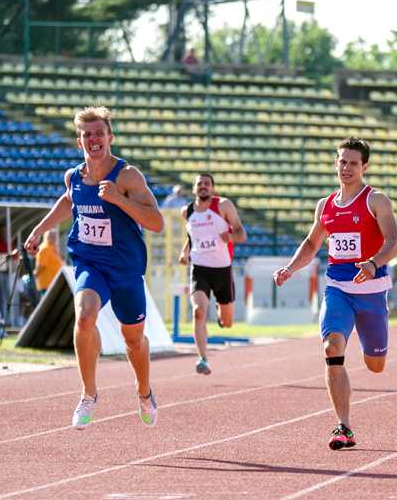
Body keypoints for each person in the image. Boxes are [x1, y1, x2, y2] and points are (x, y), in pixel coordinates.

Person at [24, 105, 165, 430]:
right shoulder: (74, 176)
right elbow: (68, 200)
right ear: (80, 142)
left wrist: (119, 200)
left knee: (133, 341)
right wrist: (39, 229)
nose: (93, 139)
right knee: (85, 315)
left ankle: (144, 392)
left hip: (126, 269)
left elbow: (156, 222)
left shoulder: (127, 176)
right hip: (90, 262)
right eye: (87, 135)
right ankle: (88, 394)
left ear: (110, 137)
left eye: (99, 133)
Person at [273, 137, 397, 450]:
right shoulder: (326, 205)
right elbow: (311, 244)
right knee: (332, 348)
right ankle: (343, 426)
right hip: (338, 289)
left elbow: (394, 242)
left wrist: (373, 264)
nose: (346, 168)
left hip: (371, 292)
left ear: (365, 167)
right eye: (342, 161)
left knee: (376, 365)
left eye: (353, 163)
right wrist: (291, 268)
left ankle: (370, 349)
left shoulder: (377, 200)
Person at [179, 173, 247, 375]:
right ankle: (203, 359)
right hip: (199, 268)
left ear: (213, 189)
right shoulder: (187, 211)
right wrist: (185, 251)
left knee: (227, 322)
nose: (203, 187)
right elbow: (193, 237)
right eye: (199, 184)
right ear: (194, 189)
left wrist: (230, 236)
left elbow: (241, 234)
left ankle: (220, 311)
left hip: (223, 270)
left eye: (207, 184)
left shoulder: (224, 206)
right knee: (198, 311)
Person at [33, 229, 63, 294]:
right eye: (52, 236)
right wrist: (33, 276)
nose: (54, 238)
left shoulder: (53, 248)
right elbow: (41, 266)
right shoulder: (44, 249)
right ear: (46, 237)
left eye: (55, 237)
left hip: (53, 283)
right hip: (47, 284)